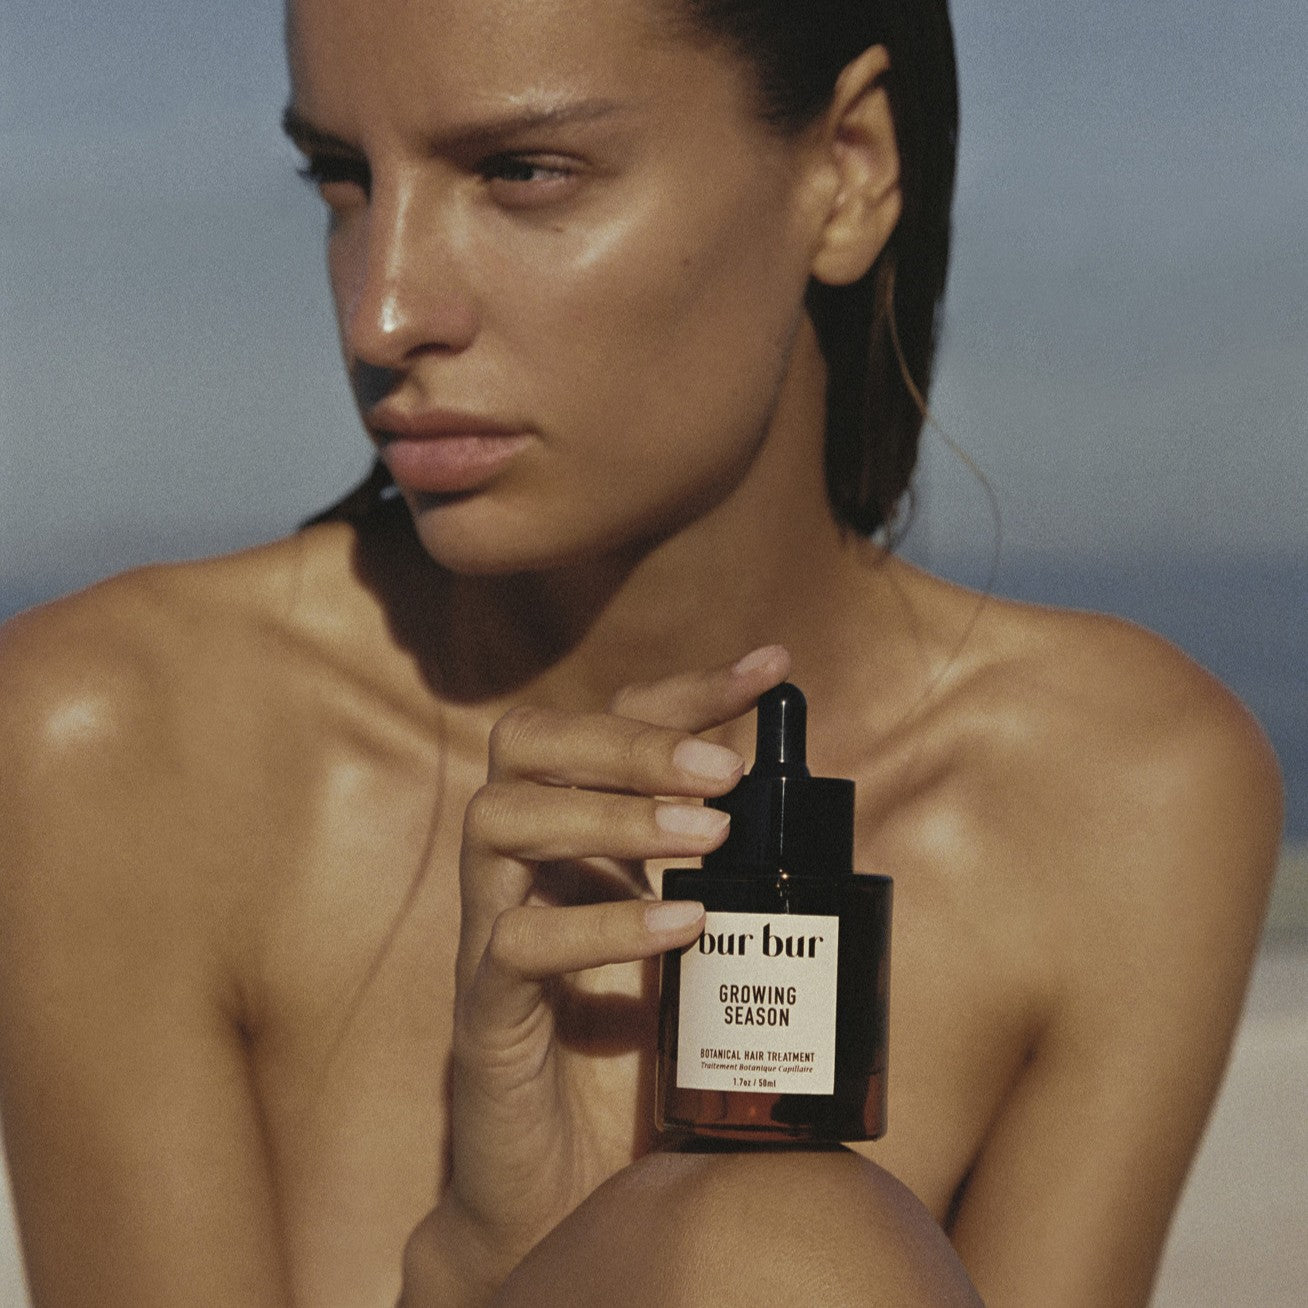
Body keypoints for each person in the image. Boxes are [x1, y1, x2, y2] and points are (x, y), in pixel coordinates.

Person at [0, 0, 1283, 1303]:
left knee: (779, 1244)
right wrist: (471, 1272)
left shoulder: (1123, 790)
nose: (381, 315)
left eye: (523, 173)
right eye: (342, 178)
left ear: (848, 170)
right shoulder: (120, 743)